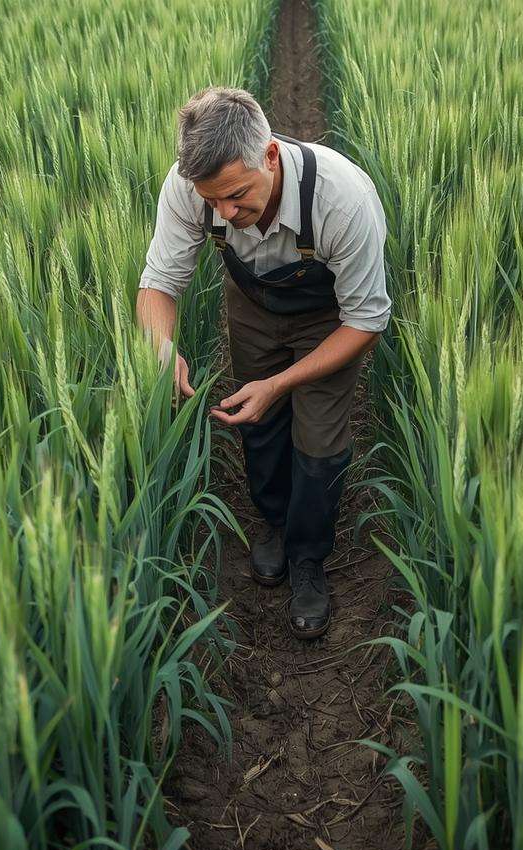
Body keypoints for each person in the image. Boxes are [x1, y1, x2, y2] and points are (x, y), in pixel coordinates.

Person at [134, 86, 391, 640]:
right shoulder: (191, 188)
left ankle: (307, 557)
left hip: (332, 320)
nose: (225, 213)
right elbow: (158, 284)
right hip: (253, 304)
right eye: (212, 201)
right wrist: (161, 349)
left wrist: (283, 382)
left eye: (236, 195)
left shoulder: (341, 200)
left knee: (319, 436)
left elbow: (366, 321)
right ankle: (273, 521)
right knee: (256, 417)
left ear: (269, 156)